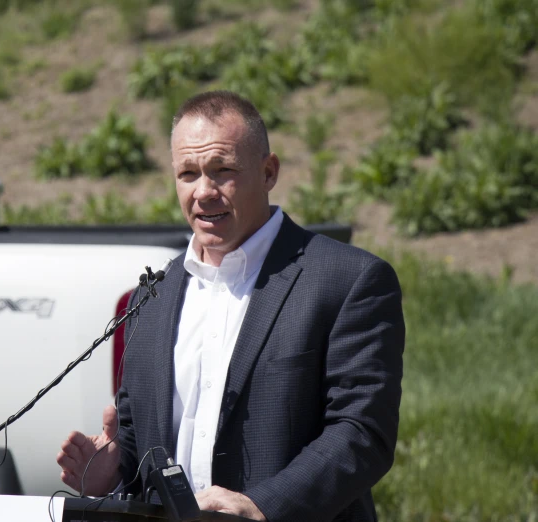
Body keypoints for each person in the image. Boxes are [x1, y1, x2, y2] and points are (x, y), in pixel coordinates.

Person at [57, 91, 405, 522]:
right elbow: (139, 442)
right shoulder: (151, 298)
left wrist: (264, 507)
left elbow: (363, 433)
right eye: (188, 173)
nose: (204, 192)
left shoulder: (348, 280)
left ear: (269, 171)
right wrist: (110, 472)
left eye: (222, 171)